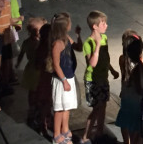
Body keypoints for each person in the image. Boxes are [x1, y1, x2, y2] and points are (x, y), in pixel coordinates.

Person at [80, 10, 120, 143]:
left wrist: (112, 70)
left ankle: (99, 133)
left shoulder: (105, 38)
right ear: (95, 26)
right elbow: (92, 63)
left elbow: (105, 58)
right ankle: (85, 136)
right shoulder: (89, 43)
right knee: (97, 108)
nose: (106, 25)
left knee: (103, 107)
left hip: (103, 78)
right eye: (103, 24)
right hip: (93, 80)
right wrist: (97, 45)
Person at [50, 12, 80, 144]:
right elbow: (56, 64)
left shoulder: (66, 38)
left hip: (69, 78)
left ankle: (65, 128)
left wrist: (78, 35)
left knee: (66, 106)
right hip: (62, 80)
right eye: (69, 22)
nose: (71, 24)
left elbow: (78, 47)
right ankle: (56, 134)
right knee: (59, 109)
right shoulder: (58, 43)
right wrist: (64, 81)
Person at [16, 16, 46, 128]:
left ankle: (34, 108)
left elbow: (21, 54)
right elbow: (22, 54)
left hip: (33, 69)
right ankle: (34, 109)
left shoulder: (27, 42)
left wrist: (18, 63)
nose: (39, 32)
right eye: (38, 30)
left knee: (35, 91)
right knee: (35, 91)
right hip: (36, 70)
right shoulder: (39, 43)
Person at [116, 30, 143, 144]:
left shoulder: (122, 59)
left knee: (126, 121)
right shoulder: (140, 63)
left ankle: (126, 141)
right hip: (136, 100)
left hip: (126, 96)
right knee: (137, 129)